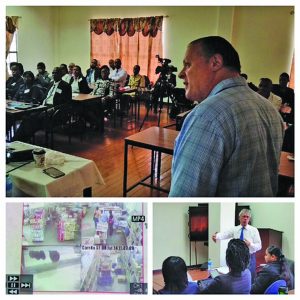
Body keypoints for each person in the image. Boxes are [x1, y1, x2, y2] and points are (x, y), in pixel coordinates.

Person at [169, 36, 284, 197]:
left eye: (188, 64)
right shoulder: (270, 110)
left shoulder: (208, 116)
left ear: (215, 62)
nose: (181, 74)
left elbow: (185, 198)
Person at [13, 67, 72, 142]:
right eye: (53, 73)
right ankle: (20, 140)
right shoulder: (50, 84)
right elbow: (44, 97)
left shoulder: (66, 86)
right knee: (27, 117)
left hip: (53, 108)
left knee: (31, 119)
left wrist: (53, 108)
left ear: (61, 74)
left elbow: (67, 103)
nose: (54, 74)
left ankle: (21, 140)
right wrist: (37, 104)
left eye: (56, 73)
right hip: (43, 106)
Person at [212, 209, 261, 282]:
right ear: (239, 218)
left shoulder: (254, 230)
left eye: (247, 217)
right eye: (243, 216)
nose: (245, 218)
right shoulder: (235, 229)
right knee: (236, 278)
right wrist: (216, 236)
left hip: (249, 257)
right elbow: (225, 234)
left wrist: (250, 244)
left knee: (249, 278)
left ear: (249, 219)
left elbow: (259, 246)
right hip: (236, 257)